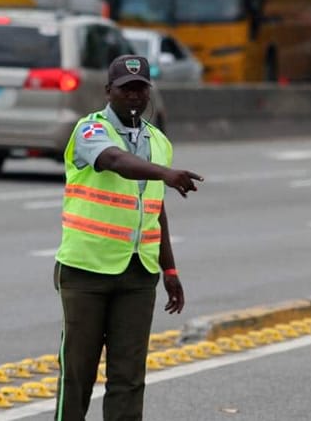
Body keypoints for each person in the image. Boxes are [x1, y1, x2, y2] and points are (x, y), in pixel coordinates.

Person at [53, 54, 203, 421]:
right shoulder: (90, 130)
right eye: (126, 90)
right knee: (78, 373)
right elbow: (114, 161)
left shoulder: (158, 142)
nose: (134, 97)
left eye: (140, 89)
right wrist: (165, 173)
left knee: (129, 377)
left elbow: (155, 209)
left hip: (138, 273)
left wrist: (169, 270)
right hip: (86, 268)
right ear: (109, 91)